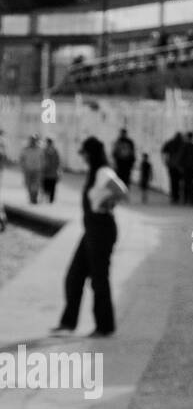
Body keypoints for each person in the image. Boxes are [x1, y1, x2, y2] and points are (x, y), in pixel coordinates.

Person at [51, 137, 127, 338]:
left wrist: (106, 204)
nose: (82, 156)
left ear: (90, 153)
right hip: (92, 231)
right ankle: (68, 322)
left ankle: (104, 327)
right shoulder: (95, 173)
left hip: (102, 230)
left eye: (83, 152)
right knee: (74, 276)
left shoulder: (103, 172)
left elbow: (122, 191)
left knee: (99, 279)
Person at [19, 135, 44, 204]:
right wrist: (23, 167)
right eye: (32, 140)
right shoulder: (25, 149)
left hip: (37, 170)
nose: (33, 142)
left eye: (34, 140)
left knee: (36, 184)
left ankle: (35, 197)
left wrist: (42, 167)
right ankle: (31, 197)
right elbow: (21, 159)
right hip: (28, 169)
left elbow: (43, 159)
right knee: (28, 184)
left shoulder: (40, 149)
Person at [162, 132, 184, 204]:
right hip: (180, 166)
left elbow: (164, 152)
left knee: (173, 181)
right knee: (179, 181)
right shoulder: (183, 143)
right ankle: (178, 196)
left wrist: (166, 162)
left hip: (172, 165)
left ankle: (174, 196)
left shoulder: (170, 143)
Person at [179, 131, 193, 205]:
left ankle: (184, 199)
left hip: (185, 167)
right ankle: (192, 200)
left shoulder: (184, 146)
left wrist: (180, 166)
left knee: (185, 183)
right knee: (191, 183)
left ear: (188, 137)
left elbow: (181, 157)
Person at [41, 138, 60, 203]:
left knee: (52, 187)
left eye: (50, 143)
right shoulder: (43, 151)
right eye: (48, 143)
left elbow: (58, 162)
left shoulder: (55, 151)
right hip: (45, 173)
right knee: (45, 187)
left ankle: (51, 200)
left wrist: (58, 171)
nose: (49, 144)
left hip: (53, 173)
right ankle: (47, 198)